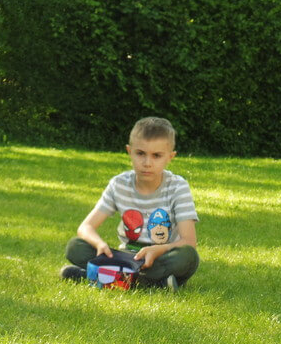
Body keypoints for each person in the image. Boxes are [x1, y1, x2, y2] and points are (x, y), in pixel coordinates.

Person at [60, 117, 199, 290]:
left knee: (187, 256)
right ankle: (155, 283)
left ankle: (99, 277)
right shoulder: (119, 184)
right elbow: (85, 227)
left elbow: (188, 241)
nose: (147, 163)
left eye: (156, 156)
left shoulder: (178, 187)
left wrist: (158, 250)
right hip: (126, 258)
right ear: (129, 151)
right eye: (140, 153)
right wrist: (99, 244)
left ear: (170, 157)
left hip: (160, 258)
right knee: (75, 247)